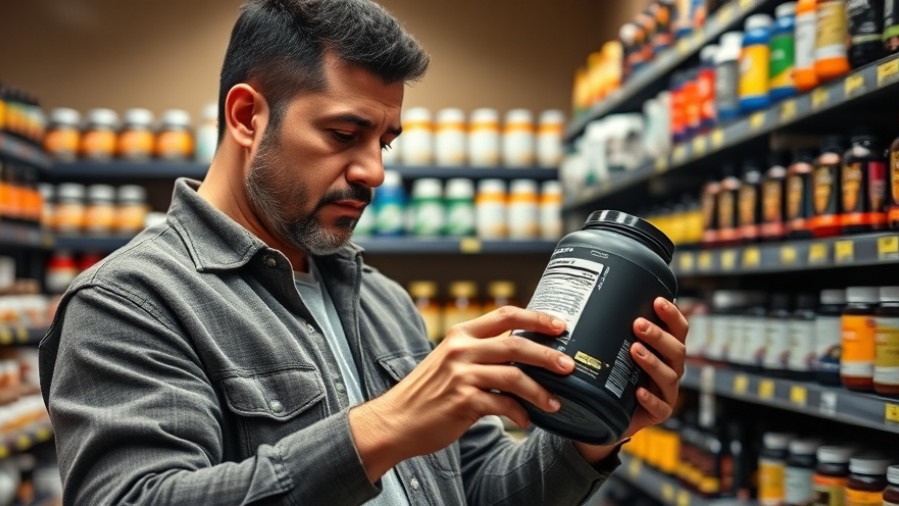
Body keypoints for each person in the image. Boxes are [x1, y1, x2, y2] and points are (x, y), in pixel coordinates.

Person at [39, 0, 689, 504]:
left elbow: (483, 488)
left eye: (385, 141)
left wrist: (594, 437)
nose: (374, 171)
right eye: (345, 134)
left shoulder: (381, 300)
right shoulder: (130, 302)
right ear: (246, 117)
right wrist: (380, 429)